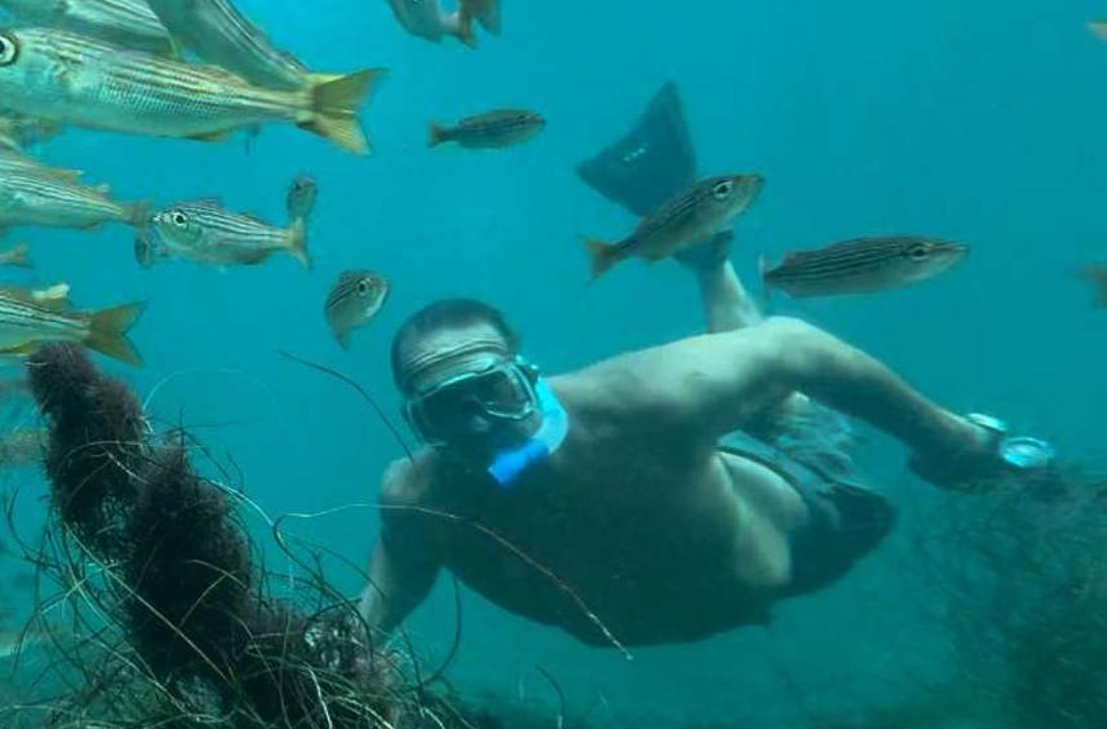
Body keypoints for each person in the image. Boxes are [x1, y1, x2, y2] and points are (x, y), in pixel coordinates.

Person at [358, 84, 1050, 648]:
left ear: (528, 373)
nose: (480, 422)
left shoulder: (642, 401)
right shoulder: (420, 494)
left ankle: (706, 246)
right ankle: (692, 236)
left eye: (493, 389)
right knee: (753, 393)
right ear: (417, 422)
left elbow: (795, 347)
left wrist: (954, 441)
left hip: (807, 513)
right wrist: (360, 640)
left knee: (782, 404)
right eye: (445, 408)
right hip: (716, 532)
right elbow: (403, 558)